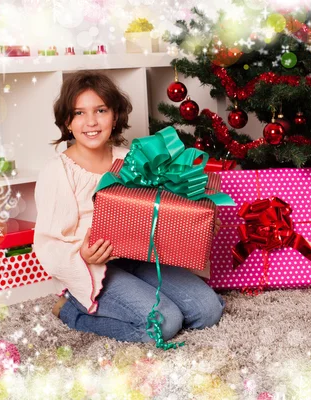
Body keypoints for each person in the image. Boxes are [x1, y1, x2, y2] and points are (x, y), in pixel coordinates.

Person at [33, 70, 224, 343]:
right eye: (79, 113)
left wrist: (198, 225)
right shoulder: (58, 172)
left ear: (115, 115)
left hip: (140, 257)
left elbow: (163, 208)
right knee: (165, 322)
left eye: (100, 110)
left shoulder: (132, 159)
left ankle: (138, 297)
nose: (91, 122)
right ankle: (71, 310)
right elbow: (49, 242)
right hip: (93, 268)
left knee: (208, 311)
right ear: (67, 120)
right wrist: (83, 255)